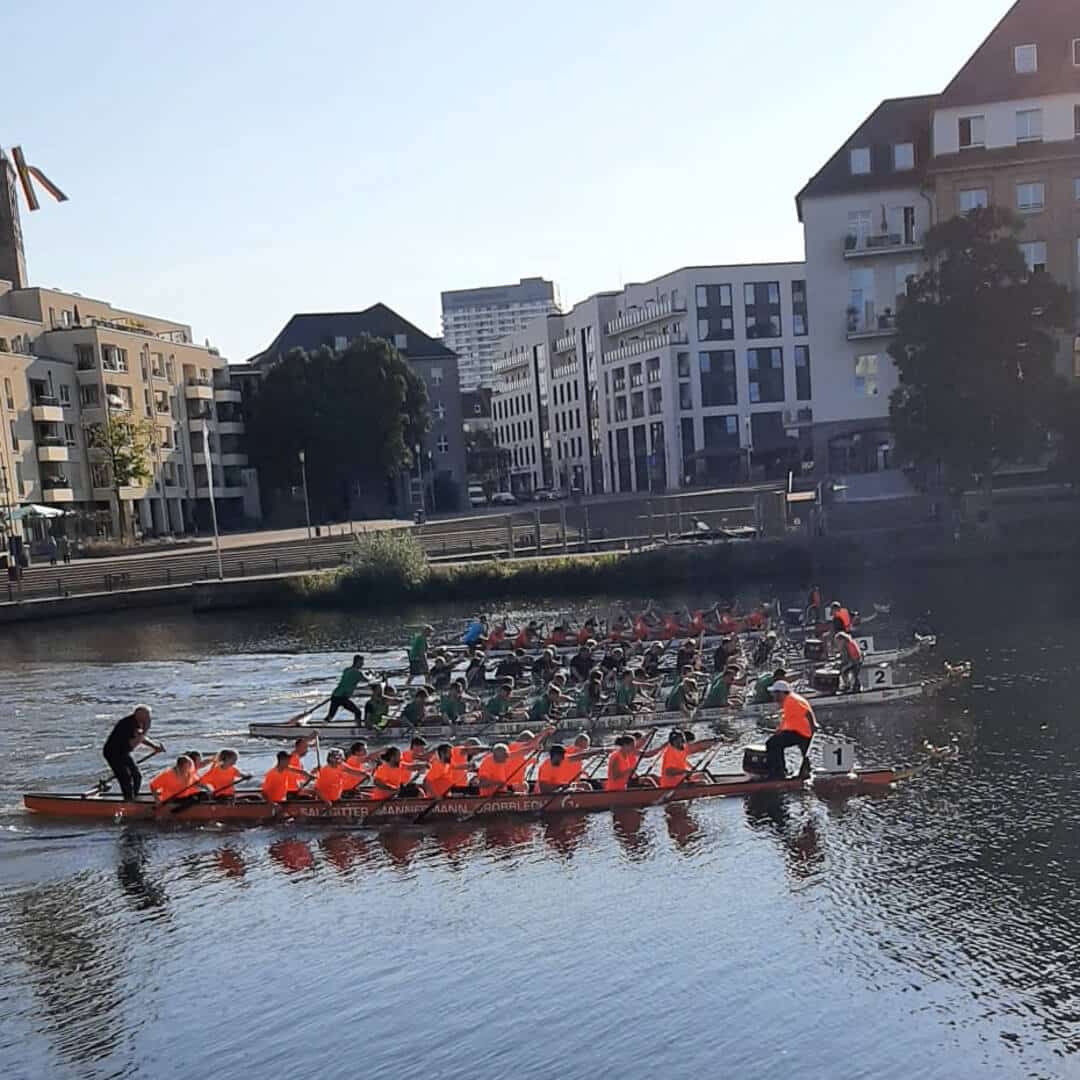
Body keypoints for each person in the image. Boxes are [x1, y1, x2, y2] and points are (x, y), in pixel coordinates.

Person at [103, 704, 163, 801]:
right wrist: (146, 730)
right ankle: (128, 800)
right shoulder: (128, 723)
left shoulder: (138, 723)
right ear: (138, 714)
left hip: (123, 752)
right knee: (125, 777)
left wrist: (154, 746)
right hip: (112, 753)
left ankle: (134, 797)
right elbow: (134, 743)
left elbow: (140, 738)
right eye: (147, 716)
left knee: (137, 775)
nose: (148, 719)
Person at [765, 680, 818, 779]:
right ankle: (802, 772)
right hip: (798, 730)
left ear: (781, 693)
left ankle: (778, 772)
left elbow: (807, 712)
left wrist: (813, 724)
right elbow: (787, 718)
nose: (773, 696)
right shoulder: (789, 699)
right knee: (777, 742)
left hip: (801, 732)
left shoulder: (792, 701)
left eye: (775, 693)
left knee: (772, 743)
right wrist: (780, 729)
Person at [326, 655, 366, 721]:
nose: (363, 664)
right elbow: (366, 680)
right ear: (357, 662)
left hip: (335, 695)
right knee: (358, 712)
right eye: (361, 662)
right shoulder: (358, 673)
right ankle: (358, 726)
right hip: (342, 697)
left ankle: (324, 724)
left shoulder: (346, 670)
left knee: (330, 716)